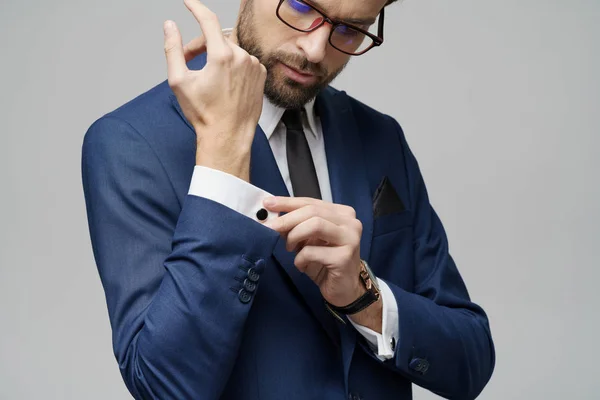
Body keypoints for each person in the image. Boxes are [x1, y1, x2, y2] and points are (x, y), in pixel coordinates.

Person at [81, 0, 495, 398]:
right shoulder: (131, 142)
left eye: (350, 30)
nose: (315, 51)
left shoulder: (382, 138)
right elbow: (163, 386)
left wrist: (364, 298)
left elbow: (471, 361)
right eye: (300, 7)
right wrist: (223, 158)